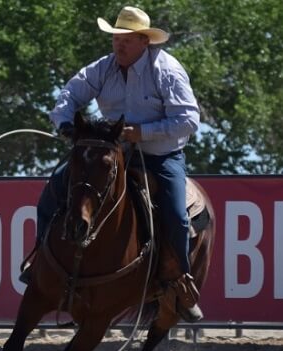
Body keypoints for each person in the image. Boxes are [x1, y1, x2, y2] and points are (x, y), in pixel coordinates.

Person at [22, 6, 203, 322]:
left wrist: (142, 132)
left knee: (176, 215)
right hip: (110, 153)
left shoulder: (167, 71)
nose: (119, 44)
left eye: (127, 39)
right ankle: (40, 260)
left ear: (144, 42)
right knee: (53, 192)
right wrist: (65, 124)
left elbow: (188, 120)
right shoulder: (102, 68)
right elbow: (70, 94)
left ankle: (180, 283)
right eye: (116, 38)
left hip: (160, 157)